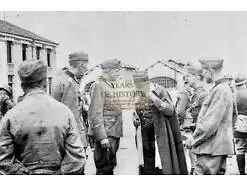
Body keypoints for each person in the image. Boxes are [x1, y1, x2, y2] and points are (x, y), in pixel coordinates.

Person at [0, 60, 86, 175]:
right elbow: (77, 158)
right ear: (45, 83)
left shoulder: (10, 116)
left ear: (22, 86)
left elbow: (4, 160)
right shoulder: (65, 112)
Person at [186, 57, 234, 175]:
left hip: (211, 149)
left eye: (203, 70)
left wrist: (194, 138)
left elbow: (211, 123)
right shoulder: (220, 88)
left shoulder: (220, 90)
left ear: (210, 71)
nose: (202, 73)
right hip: (215, 148)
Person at [134, 80, 188, 175]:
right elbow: (137, 112)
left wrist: (153, 98)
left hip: (159, 136)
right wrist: (135, 119)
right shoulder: (138, 93)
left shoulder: (160, 90)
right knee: (147, 168)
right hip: (144, 137)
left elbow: (170, 110)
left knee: (162, 166)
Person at [88, 59, 123, 175]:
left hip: (113, 132)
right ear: (110, 71)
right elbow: (95, 113)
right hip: (106, 134)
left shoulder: (111, 84)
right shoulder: (98, 85)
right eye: (117, 71)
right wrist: (102, 137)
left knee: (110, 166)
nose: (119, 74)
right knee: (104, 168)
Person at [52, 51, 89, 155]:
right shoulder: (69, 83)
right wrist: (80, 142)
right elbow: (72, 116)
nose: (87, 69)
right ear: (81, 65)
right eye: (86, 65)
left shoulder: (60, 78)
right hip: (72, 138)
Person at [184, 61, 208, 174]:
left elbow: (207, 121)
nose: (186, 78)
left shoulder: (203, 95)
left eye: (189, 75)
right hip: (197, 138)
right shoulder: (196, 94)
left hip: (203, 141)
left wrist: (192, 126)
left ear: (197, 77)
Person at [232, 75, 247, 175]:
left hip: (238, 126)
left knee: (240, 150)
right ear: (245, 83)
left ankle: (242, 173)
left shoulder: (232, 96)